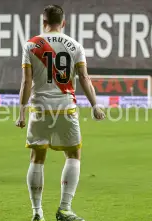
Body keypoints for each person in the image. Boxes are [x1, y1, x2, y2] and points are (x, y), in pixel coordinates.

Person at [15, 5, 105, 221]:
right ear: (63, 23)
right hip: (66, 108)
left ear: (43, 21)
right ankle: (64, 209)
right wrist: (95, 105)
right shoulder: (75, 45)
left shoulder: (31, 45)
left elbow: (26, 81)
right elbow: (84, 78)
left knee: (37, 158)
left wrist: (21, 112)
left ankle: (37, 212)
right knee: (74, 155)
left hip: (40, 109)